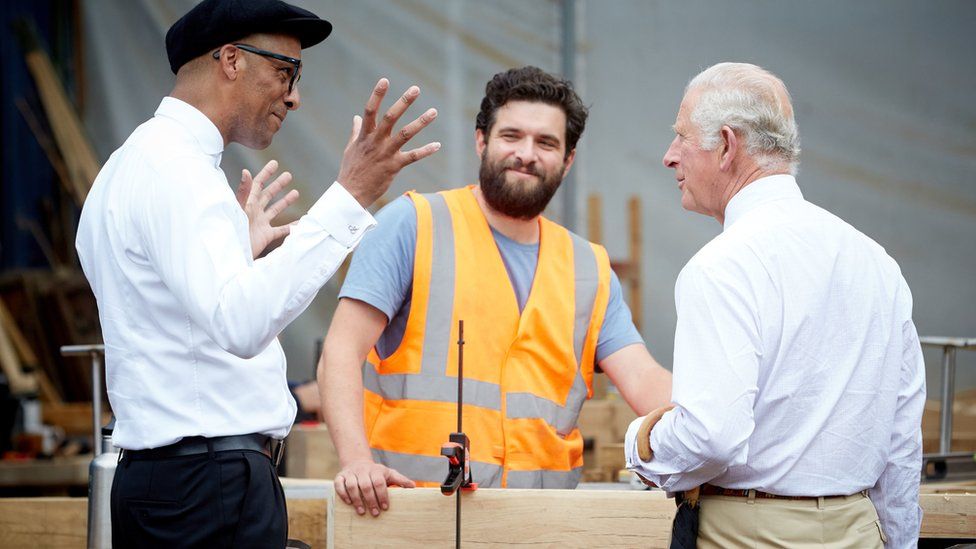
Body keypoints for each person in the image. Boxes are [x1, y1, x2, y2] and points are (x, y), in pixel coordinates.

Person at [75, 0, 440, 546]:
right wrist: (349, 196)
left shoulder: (132, 165)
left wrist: (239, 261)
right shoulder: (176, 170)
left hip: (183, 481)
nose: (293, 96)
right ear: (230, 60)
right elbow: (240, 323)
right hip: (206, 485)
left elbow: (171, 308)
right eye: (284, 71)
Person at [318, 66, 673, 517]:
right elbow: (340, 352)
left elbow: (643, 380)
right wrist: (356, 462)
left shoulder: (591, 269)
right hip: (410, 519)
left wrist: (718, 417)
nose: (526, 154)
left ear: (567, 161)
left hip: (538, 528)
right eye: (512, 136)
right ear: (481, 141)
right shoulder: (414, 224)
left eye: (546, 143)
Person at [625, 62, 925, 548]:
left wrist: (641, 442)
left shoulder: (721, 267)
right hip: (859, 529)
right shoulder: (876, 263)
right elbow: (901, 441)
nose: (669, 156)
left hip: (748, 534)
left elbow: (711, 437)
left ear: (726, 145)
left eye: (681, 137)